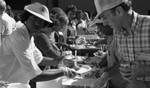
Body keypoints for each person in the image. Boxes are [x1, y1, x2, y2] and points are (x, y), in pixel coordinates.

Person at [0, 2, 72, 88]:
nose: (38, 23)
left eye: (42, 21)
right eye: (34, 18)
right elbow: (35, 76)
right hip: (8, 84)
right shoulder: (19, 38)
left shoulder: (29, 37)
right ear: (26, 17)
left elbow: (39, 59)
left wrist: (59, 60)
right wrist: (64, 72)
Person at [93, 0, 150, 87]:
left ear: (119, 11)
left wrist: (146, 70)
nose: (104, 23)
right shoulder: (117, 32)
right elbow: (123, 62)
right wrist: (105, 77)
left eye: (104, 17)